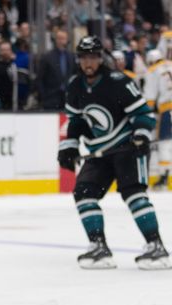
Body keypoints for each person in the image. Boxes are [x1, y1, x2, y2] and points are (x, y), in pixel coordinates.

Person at [58, 36, 170, 269]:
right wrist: (69, 147)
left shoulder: (118, 82)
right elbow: (76, 121)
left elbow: (143, 114)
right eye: (84, 57)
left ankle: (156, 246)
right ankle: (99, 246)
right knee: (84, 192)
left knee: (133, 194)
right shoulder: (75, 86)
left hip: (127, 146)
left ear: (101, 58)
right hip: (99, 151)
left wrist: (140, 134)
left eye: (93, 57)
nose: (88, 62)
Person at [142, 49, 171, 188]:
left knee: (164, 142)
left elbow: (150, 97)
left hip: (167, 109)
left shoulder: (153, 70)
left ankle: (164, 175)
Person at [37, 29, 75, 110]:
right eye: (59, 38)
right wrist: (43, 96)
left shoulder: (71, 56)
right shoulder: (47, 57)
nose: (61, 41)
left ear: (67, 40)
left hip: (68, 99)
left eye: (63, 38)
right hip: (50, 98)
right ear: (55, 40)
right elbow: (40, 79)